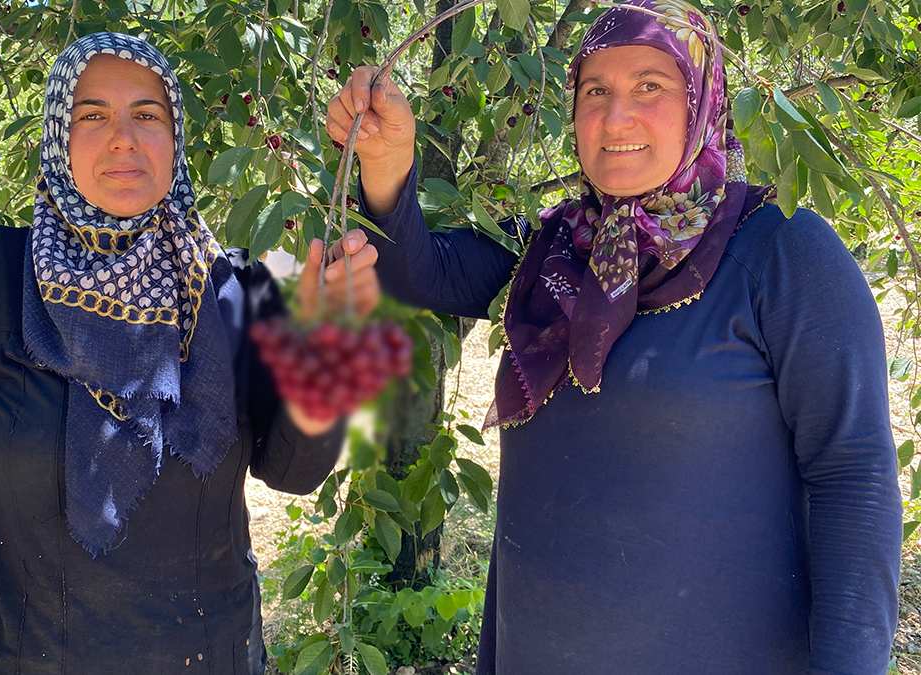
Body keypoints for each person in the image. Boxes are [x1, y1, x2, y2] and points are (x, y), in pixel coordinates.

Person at [0, 32, 380, 674]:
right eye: (92, 115)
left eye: (148, 115)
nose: (124, 138)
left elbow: (294, 471)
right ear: (57, 136)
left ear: (177, 138)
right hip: (19, 656)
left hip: (209, 654)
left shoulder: (235, 292)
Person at [326, 0, 901, 671]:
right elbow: (417, 270)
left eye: (650, 87)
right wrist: (389, 161)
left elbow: (851, 474)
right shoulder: (553, 251)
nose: (615, 116)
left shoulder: (782, 254)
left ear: (701, 102)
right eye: (595, 90)